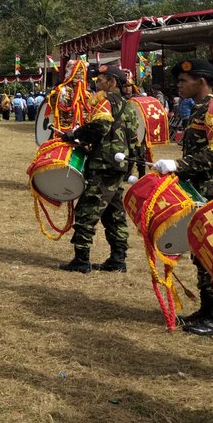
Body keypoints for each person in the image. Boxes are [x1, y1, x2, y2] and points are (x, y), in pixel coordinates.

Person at [152, 58, 213, 336]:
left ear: (200, 82)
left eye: (183, 81)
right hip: (197, 188)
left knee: (210, 252)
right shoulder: (198, 109)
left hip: (211, 190)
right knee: (199, 252)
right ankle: (207, 309)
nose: (179, 85)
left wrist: (179, 165)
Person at [58, 64, 141, 274]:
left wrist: (75, 135)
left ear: (111, 82)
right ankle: (118, 259)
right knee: (114, 214)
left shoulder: (104, 101)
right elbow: (134, 140)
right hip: (119, 165)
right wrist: (130, 168)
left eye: (101, 80)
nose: (97, 83)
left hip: (103, 165)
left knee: (87, 210)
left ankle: (81, 260)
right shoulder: (129, 106)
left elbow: (99, 127)